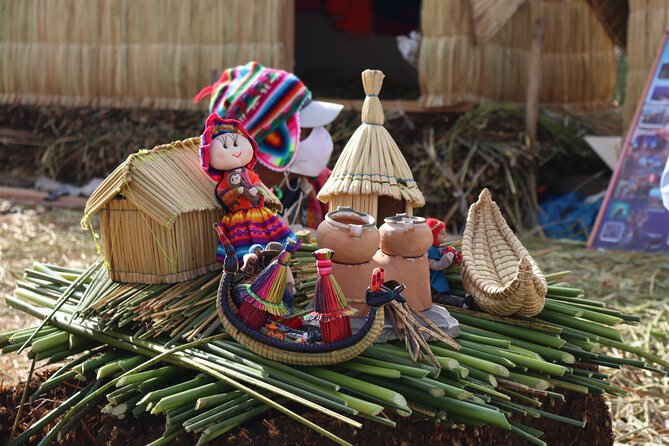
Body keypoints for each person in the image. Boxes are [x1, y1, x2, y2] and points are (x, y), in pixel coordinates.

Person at [194, 61, 343, 228]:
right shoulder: (222, 208)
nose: (322, 136)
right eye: (306, 131)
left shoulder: (327, 187)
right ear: (271, 147)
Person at [200, 115, 294, 263]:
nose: (234, 151)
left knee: (270, 235)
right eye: (225, 147)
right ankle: (250, 264)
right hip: (238, 215)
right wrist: (237, 192)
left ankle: (276, 258)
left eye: (236, 144)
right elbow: (223, 194)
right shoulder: (225, 180)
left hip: (258, 211)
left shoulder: (249, 174)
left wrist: (255, 192)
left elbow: (258, 186)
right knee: (244, 245)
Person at [425, 218, 463, 306]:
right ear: (433, 236)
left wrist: (452, 253)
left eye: (444, 232)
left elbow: (442, 253)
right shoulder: (428, 251)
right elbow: (436, 266)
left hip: (441, 281)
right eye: (442, 233)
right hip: (433, 285)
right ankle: (463, 304)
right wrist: (447, 258)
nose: (445, 235)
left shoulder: (439, 248)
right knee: (442, 297)